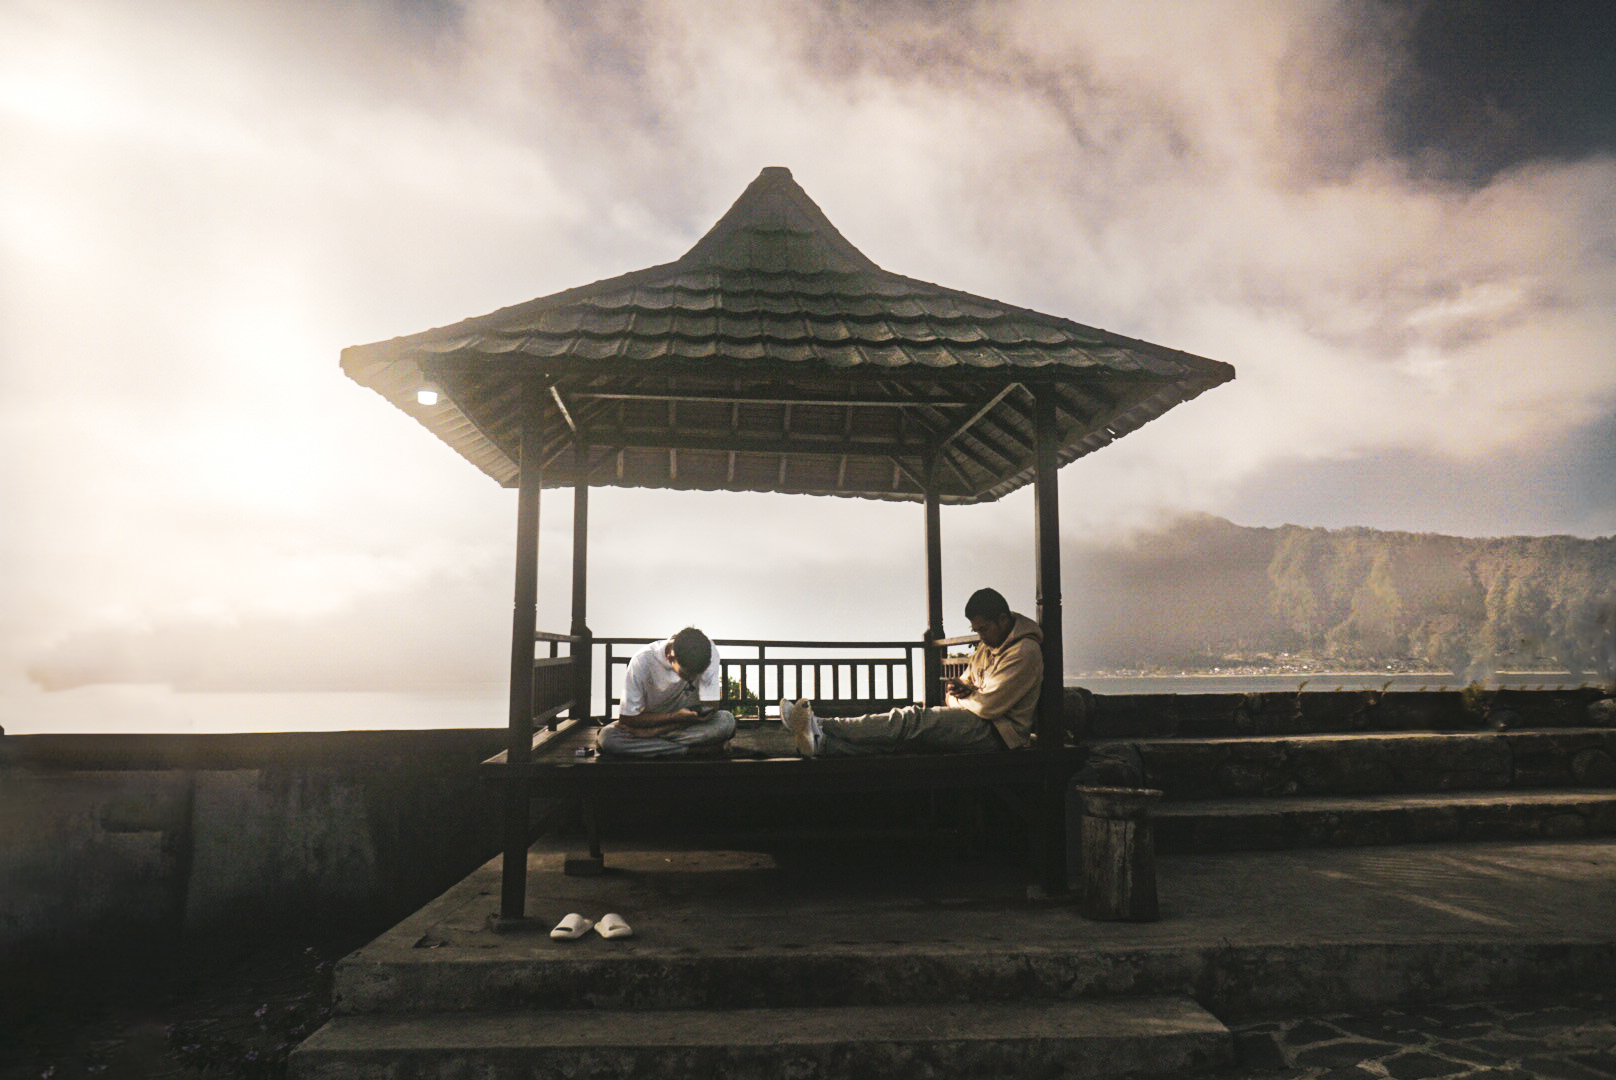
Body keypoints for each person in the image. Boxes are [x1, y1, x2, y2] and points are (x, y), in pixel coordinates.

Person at [780, 588, 1043, 757]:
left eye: (983, 629)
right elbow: (962, 686)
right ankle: (823, 744)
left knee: (910, 720)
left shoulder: (1024, 652)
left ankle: (820, 724)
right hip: (976, 720)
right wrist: (961, 694)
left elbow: (987, 707)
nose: (980, 637)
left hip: (999, 733)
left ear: (1003, 620)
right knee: (903, 741)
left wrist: (962, 698)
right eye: (976, 631)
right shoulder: (990, 645)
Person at [597, 626, 737, 758]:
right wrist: (673, 717)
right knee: (608, 738)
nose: (694, 679)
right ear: (671, 659)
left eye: (698, 673)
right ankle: (696, 750)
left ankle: (657, 747)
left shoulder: (708, 653)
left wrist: (655, 732)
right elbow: (628, 719)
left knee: (726, 721)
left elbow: (710, 708)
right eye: (688, 674)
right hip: (650, 723)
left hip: (684, 725)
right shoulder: (643, 661)